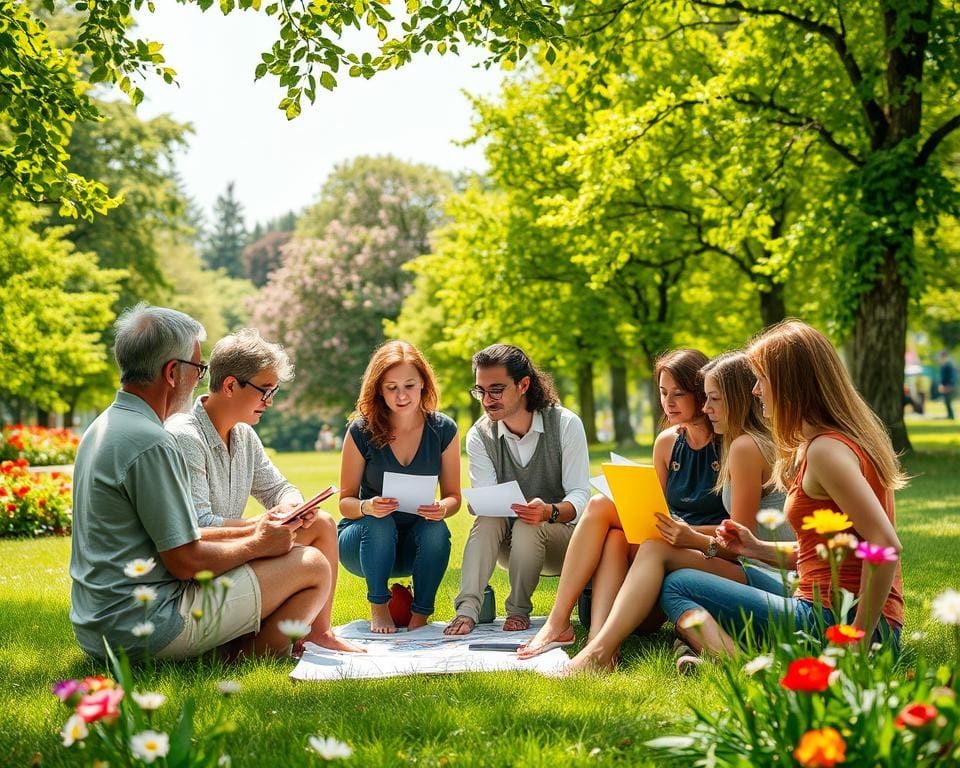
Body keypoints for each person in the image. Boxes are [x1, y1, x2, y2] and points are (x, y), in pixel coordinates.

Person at [70, 305, 330, 661]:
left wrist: (266, 531)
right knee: (312, 565)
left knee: (311, 543)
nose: (201, 378)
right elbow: (185, 560)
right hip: (145, 624)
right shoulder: (153, 441)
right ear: (173, 372)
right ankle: (230, 656)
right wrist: (258, 540)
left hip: (100, 622)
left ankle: (256, 641)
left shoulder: (107, 425)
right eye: (198, 368)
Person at [660, 319, 905, 658]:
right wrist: (755, 547)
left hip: (841, 620)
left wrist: (857, 641)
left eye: (761, 380)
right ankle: (728, 648)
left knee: (678, 585)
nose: (755, 390)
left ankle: (739, 663)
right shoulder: (829, 442)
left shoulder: (826, 451)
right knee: (692, 580)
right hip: (820, 601)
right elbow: (828, 552)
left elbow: (885, 544)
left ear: (790, 384)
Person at [521, 349, 750, 667]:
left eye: (678, 394)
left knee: (612, 517)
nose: (667, 402)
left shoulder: (734, 445)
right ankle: (596, 643)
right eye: (662, 392)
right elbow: (654, 509)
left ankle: (588, 642)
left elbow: (740, 539)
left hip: (709, 553)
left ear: (702, 394)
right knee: (608, 520)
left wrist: (683, 532)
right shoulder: (668, 443)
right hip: (668, 543)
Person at [166, 328, 361, 653]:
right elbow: (199, 525)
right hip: (201, 567)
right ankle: (247, 652)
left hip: (233, 553)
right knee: (311, 560)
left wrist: (292, 506)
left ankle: (319, 633)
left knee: (322, 523)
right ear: (230, 386)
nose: (269, 402)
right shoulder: (186, 436)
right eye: (265, 391)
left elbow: (279, 488)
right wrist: (261, 527)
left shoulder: (243, 435)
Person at [444, 344, 591, 636]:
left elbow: (580, 495)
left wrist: (548, 511)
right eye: (480, 391)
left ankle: (518, 609)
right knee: (487, 518)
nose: (487, 400)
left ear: (524, 384)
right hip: (511, 545)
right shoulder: (479, 435)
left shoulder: (565, 424)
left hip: (564, 541)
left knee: (529, 523)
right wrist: (483, 503)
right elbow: (489, 500)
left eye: (496, 390)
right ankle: (467, 610)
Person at [338, 340, 461, 633]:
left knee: (437, 530)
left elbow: (454, 496)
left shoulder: (443, 430)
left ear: (423, 385)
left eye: (409, 385)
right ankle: (378, 608)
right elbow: (345, 501)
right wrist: (368, 506)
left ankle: (421, 615)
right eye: (391, 387)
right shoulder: (361, 430)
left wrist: (442, 508)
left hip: (413, 542)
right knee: (380, 523)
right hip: (363, 541)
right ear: (379, 389)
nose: (401, 395)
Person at [939, 351, 956, 420]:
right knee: (946, 401)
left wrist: (950, 385)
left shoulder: (949, 365)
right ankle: (949, 415)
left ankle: (951, 415)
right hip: (944, 386)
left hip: (949, 386)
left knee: (948, 401)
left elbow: (953, 377)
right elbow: (942, 378)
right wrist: (941, 385)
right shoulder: (943, 366)